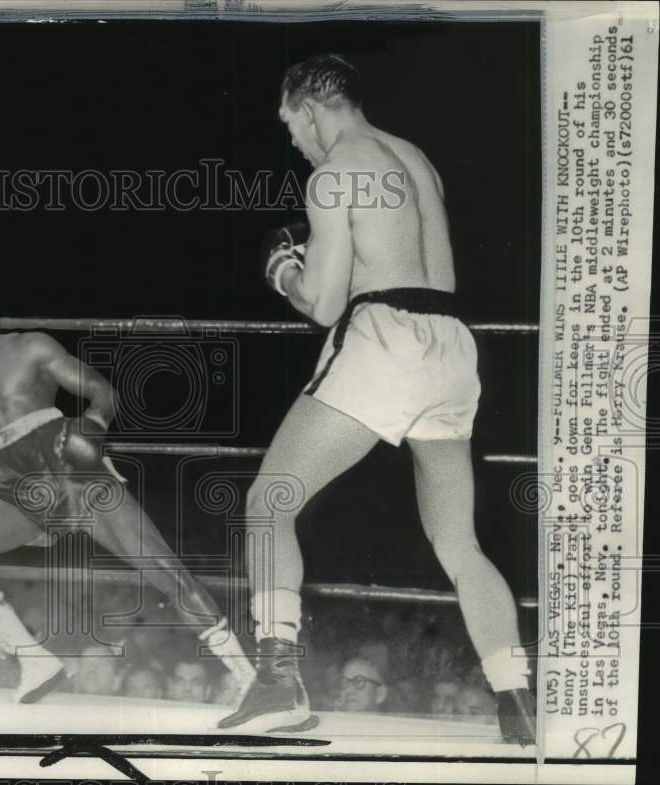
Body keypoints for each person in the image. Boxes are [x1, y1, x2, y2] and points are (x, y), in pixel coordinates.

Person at [220, 54, 536, 744]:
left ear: (310, 107)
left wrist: (283, 273)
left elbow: (327, 304)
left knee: (267, 502)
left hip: (386, 340)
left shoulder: (334, 173)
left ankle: (276, 681)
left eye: (289, 124)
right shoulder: (416, 158)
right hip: (453, 347)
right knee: (459, 540)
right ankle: (516, 699)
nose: (293, 140)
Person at [0, 271, 255, 703]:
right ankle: (33, 659)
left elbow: (102, 392)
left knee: (165, 570)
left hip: (74, 469)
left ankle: (248, 677)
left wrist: (93, 425)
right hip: (14, 491)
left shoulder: (31, 347)